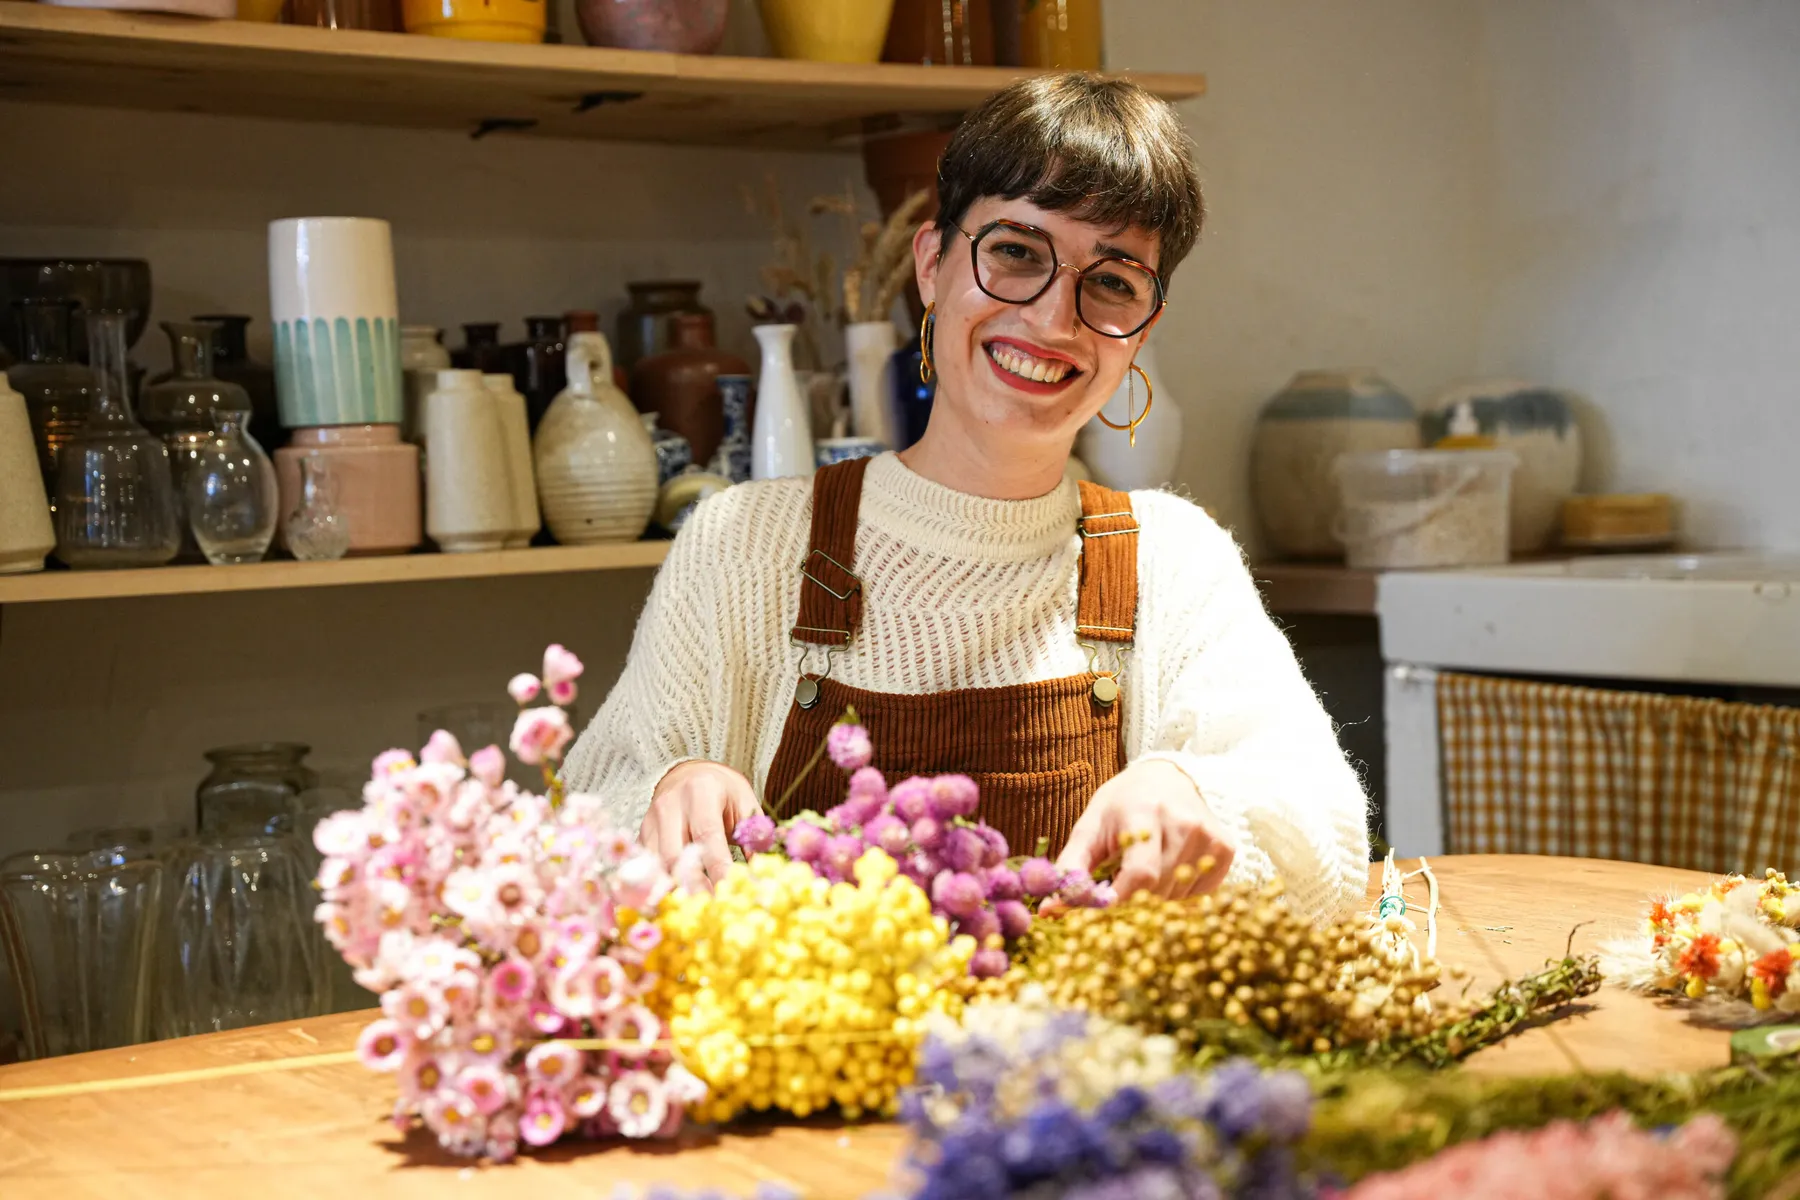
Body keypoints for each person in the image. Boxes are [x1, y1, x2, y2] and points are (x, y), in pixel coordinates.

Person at [562, 72, 1370, 922]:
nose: (1055, 320)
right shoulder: (747, 544)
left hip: (1082, 1054)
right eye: (1017, 251)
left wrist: (1199, 794)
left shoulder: (1174, 560)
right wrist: (671, 787)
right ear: (932, 265)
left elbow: (1332, 843)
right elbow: (577, 831)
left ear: (1143, 330)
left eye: (1113, 281)